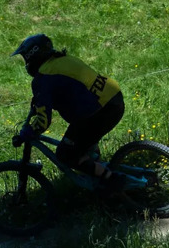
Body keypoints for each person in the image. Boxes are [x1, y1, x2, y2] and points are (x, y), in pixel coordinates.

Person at [10, 33, 127, 190]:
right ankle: (100, 180)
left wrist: (29, 132)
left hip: (99, 111)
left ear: (32, 56)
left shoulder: (43, 77)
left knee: (66, 154)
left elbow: (44, 120)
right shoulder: (63, 60)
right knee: (83, 143)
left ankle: (113, 181)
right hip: (113, 99)